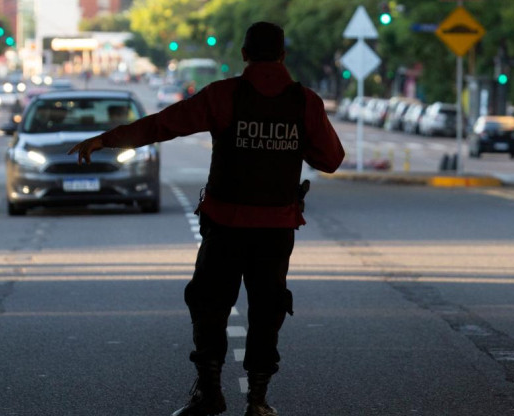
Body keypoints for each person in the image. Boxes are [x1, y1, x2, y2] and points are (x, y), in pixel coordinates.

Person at [68, 21, 344, 416]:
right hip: (276, 228)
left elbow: (164, 124)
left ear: (245, 54)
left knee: (209, 304)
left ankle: (209, 393)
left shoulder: (224, 95)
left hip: (226, 226)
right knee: (268, 310)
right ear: (283, 55)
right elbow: (331, 160)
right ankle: (259, 401)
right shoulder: (306, 102)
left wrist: (106, 139)